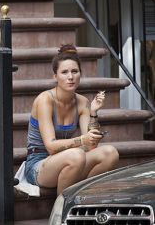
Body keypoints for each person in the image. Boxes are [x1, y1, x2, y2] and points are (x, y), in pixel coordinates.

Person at [24, 44, 119, 195]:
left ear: (80, 74)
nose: (70, 77)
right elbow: (51, 146)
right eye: (64, 72)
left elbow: (91, 147)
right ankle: (62, 210)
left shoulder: (82, 102)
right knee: (77, 155)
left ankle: (80, 198)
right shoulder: (45, 100)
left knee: (110, 153)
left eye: (75, 71)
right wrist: (82, 140)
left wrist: (93, 112)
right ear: (55, 76)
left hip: (70, 160)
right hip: (39, 164)